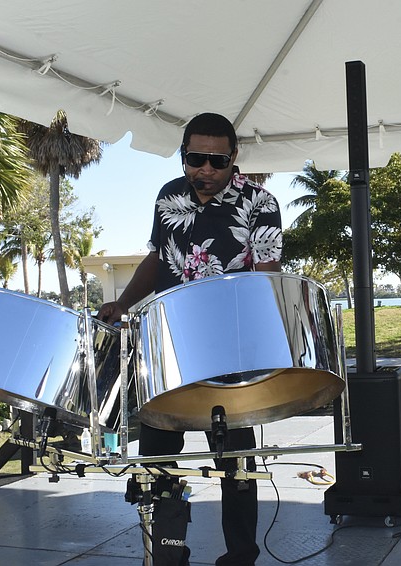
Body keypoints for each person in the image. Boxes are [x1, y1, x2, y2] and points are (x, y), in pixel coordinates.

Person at [97, 112, 283, 566]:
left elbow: (267, 275)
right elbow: (158, 258)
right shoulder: (169, 196)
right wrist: (123, 302)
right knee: (158, 453)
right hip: (171, 343)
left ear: (233, 158)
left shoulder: (260, 202)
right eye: (194, 158)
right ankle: (167, 552)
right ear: (183, 156)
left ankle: (240, 556)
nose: (205, 169)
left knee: (236, 458)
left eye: (216, 161)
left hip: (231, 346)